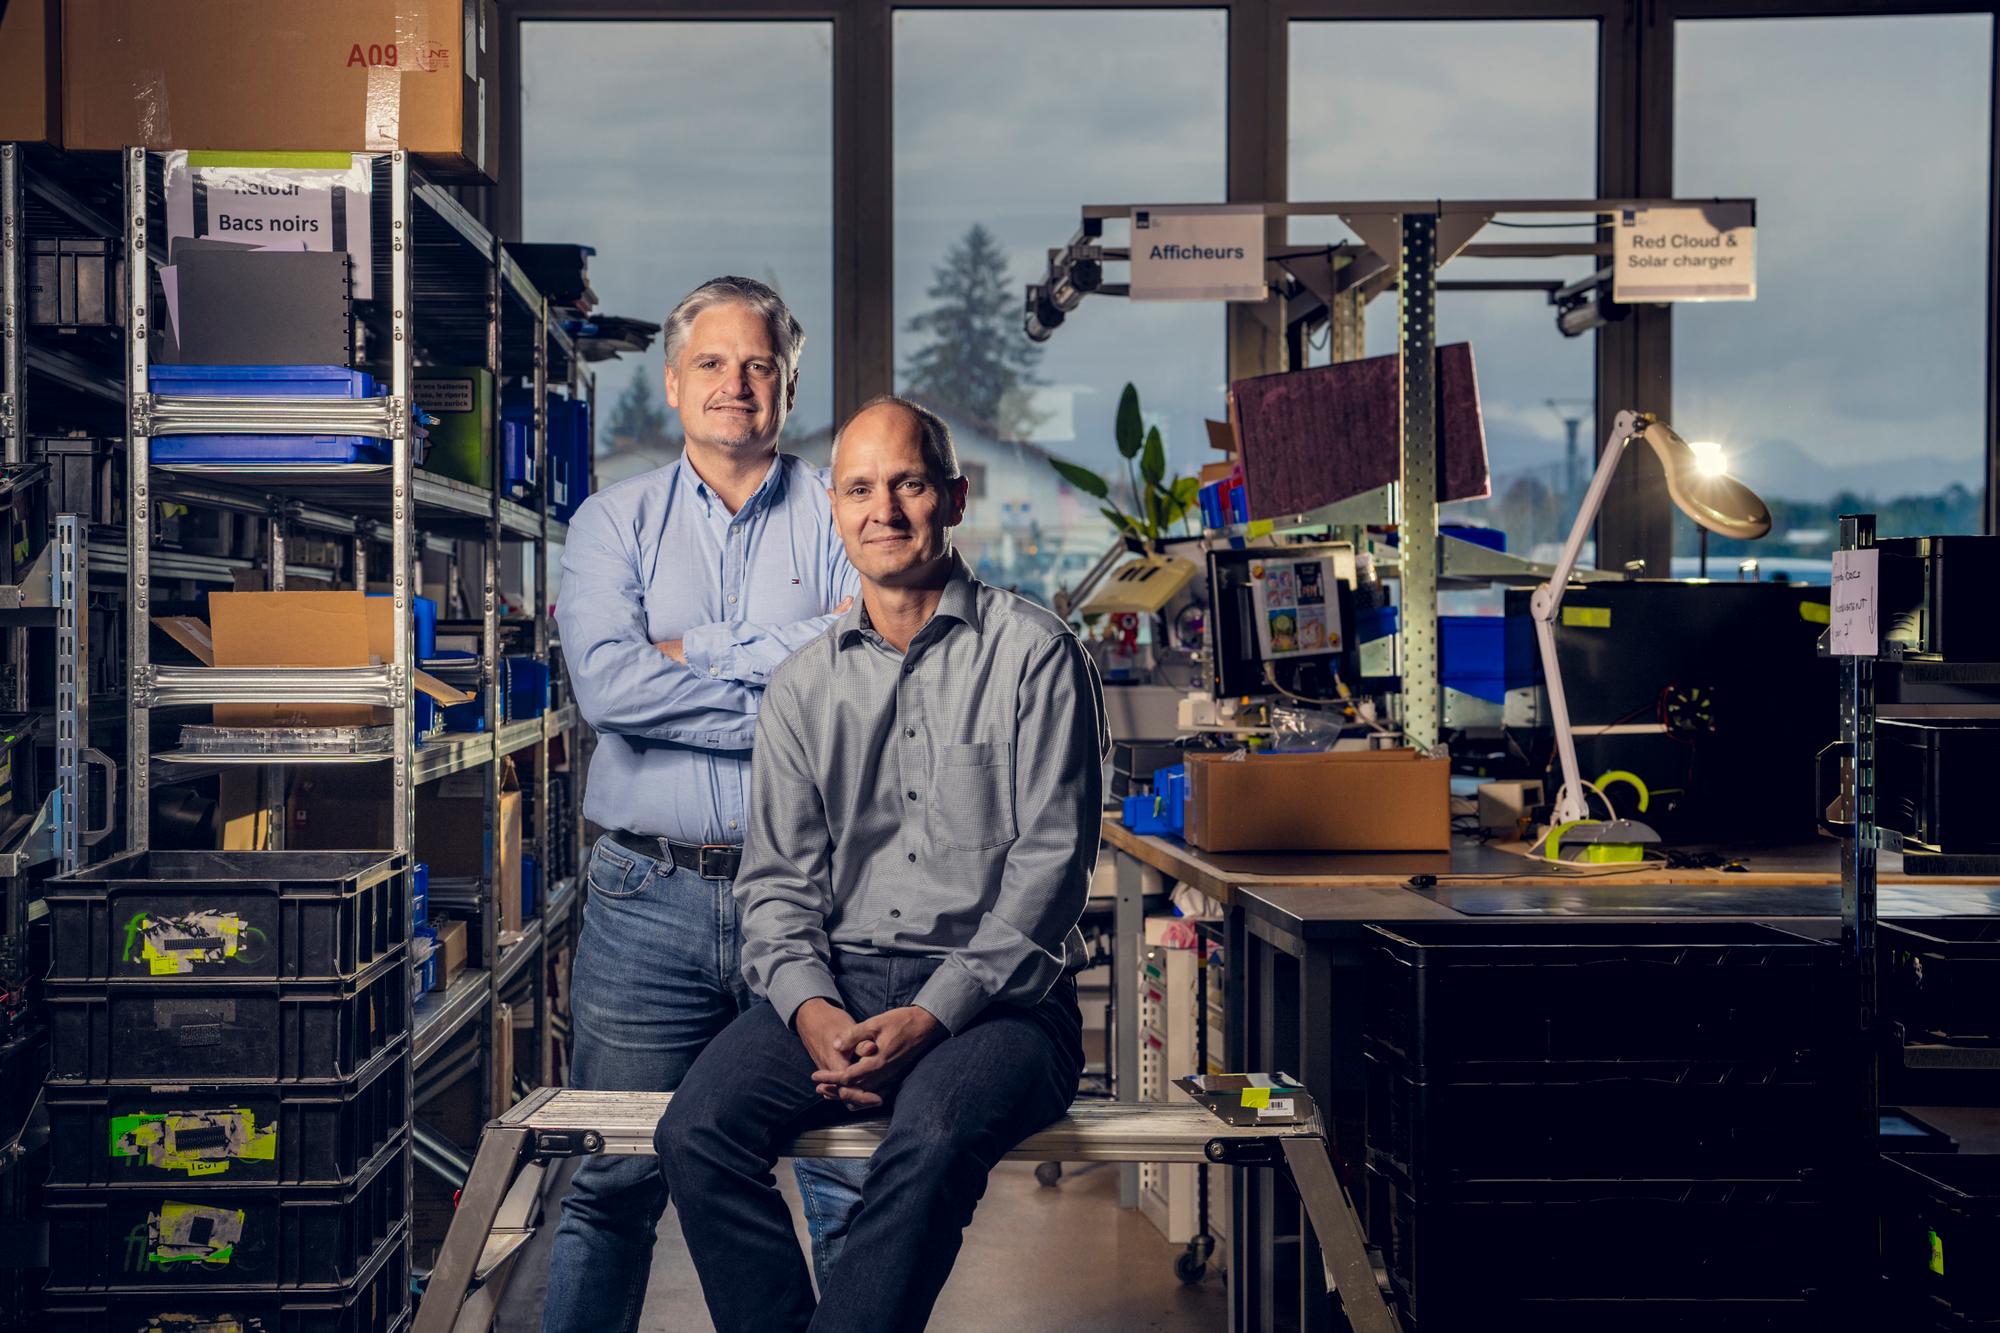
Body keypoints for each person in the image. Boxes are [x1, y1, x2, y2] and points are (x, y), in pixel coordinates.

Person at [655, 395, 1106, 1333]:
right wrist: (815, 1011)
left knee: (933, 1133)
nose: (884, 510)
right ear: (835, 509)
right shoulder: (802, 686)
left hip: (1004, 1006)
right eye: (859, 488)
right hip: (844, 983)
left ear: (954, 495)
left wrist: (933, 1015)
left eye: (908, 483)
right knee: (695, 1130)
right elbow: (776, 883)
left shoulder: (1036, 656)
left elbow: (1050, 874)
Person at [546, 277, 866, 1333]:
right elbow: (608, 688)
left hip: (818, 904)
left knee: (843, 1180)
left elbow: (861, 679)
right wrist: (785, 684)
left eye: (760, 364)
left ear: (786, 385)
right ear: (675, 385)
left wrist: (699, 657)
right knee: (613, 1179)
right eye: (715, 365)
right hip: (649, 901)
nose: (738, 384)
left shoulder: (840, 513)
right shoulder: (609, 522)